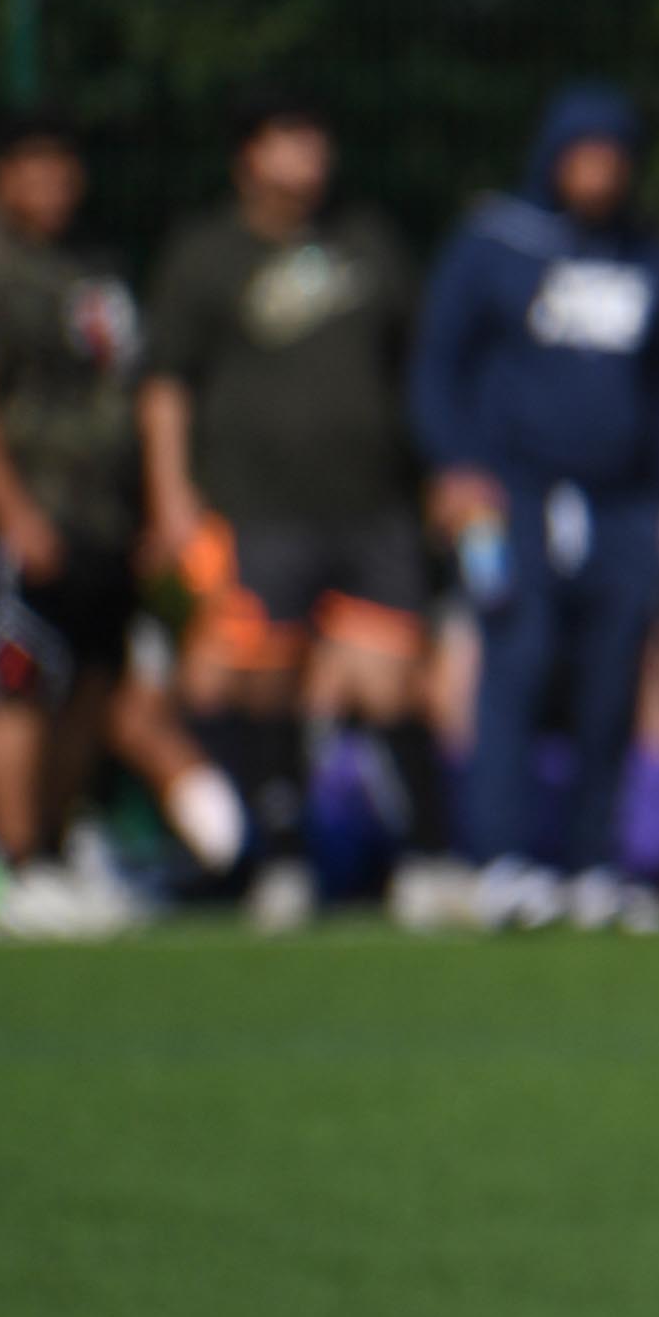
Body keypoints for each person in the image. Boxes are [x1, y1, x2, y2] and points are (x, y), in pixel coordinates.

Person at [0, 107, 239, 938]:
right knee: (16, 682)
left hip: (103, 522)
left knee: (91, 687)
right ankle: (13, 862)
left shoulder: (94, 267)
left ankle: (58, 854)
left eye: (65, 166)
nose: (54, 182)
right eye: (35, 166)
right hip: (27, 520)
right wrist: (11, 512)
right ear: (0, 177)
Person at [139, 92, 450, 929]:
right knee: (265, 683)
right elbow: (167, 386)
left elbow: (416, 364)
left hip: (371, 506)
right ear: (250, 154)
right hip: (259, 509)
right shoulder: (207, 256)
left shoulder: (367, 242)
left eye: (317, 135)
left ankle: (426, 860)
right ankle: (282, 863)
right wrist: (172, 497)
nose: (310, 153)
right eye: (289, 138)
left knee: (395, 683)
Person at [411, 84, 659, 929]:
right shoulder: (496, 245)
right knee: (518, 660)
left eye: (615, 158)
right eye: (585, 155)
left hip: (624, 504)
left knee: (616, 678)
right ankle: (503, 857)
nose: (599, 175)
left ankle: (595, 861)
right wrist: (457, 465)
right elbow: (439, 362)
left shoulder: (650, 257)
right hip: (517, 496)